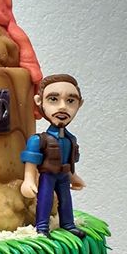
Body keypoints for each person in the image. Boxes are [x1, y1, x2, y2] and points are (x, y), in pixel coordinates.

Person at [20, 74, 86, 238]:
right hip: (47, 176)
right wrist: (28, 180)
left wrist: (73, 177)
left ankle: (68, 223)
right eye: (53, 99)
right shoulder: (39, 140)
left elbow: (69, 161)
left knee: (66, 199)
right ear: (39, 101)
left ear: (80, 104)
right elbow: (31, 163)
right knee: (45, 199)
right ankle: (42, 227)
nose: (62, 107)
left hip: (63, 176)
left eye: (70, 101)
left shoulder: (71, 139)